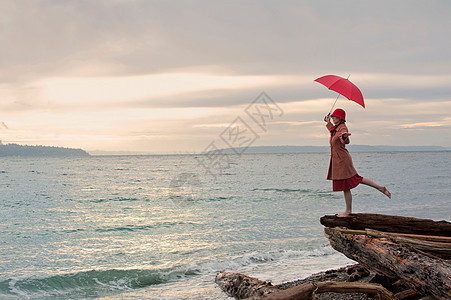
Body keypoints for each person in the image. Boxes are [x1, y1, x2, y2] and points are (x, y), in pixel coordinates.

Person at [325, 108, 391, 217]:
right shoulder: (336, 128)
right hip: (339, 159)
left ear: (340, 118)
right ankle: (380, 188)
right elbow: (333, 131)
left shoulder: (343, 128)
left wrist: (344, 136)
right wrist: (328, 123)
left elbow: (345, 138)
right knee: (354, 180)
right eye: (332, 117)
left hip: (342, 160)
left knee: (349, 183)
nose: (333, 118)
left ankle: (348, 211)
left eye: (334, 117)